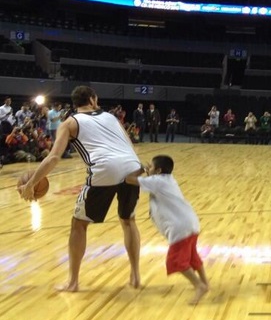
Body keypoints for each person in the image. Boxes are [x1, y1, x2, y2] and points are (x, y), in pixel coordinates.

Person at [17, 85, 142, 292]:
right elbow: (130, 145)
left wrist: (30, 185)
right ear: (93, 100)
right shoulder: (111, 118)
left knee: (79, 224)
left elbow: (54, 157)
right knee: (129, 221)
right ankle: (136, 276)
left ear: (76, 103)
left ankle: (73, 282)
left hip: (104, 168)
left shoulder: (69, 123)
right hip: (133, 166)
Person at [125, 155, 210, 303]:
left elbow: (128, 179)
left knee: (176, 261)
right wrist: (148, 171)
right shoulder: (168, 179)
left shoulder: (156, 181)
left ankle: (199, 285)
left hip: (179, 227)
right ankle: (205, 282)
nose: (148, 169)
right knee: (192, 256)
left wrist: (140, 170)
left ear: (158, 170)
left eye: (150, 167)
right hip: (190, 223)